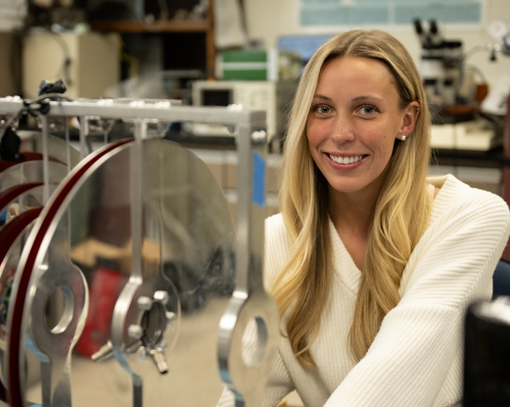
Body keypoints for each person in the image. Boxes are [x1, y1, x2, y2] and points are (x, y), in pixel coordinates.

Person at [218, 29, 510, 407]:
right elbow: (247, 388)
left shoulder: (471, 217)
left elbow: (395, 378)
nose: (340, 134)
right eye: (322, 109)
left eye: (366, 109)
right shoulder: (274, 241)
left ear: (407, 121)